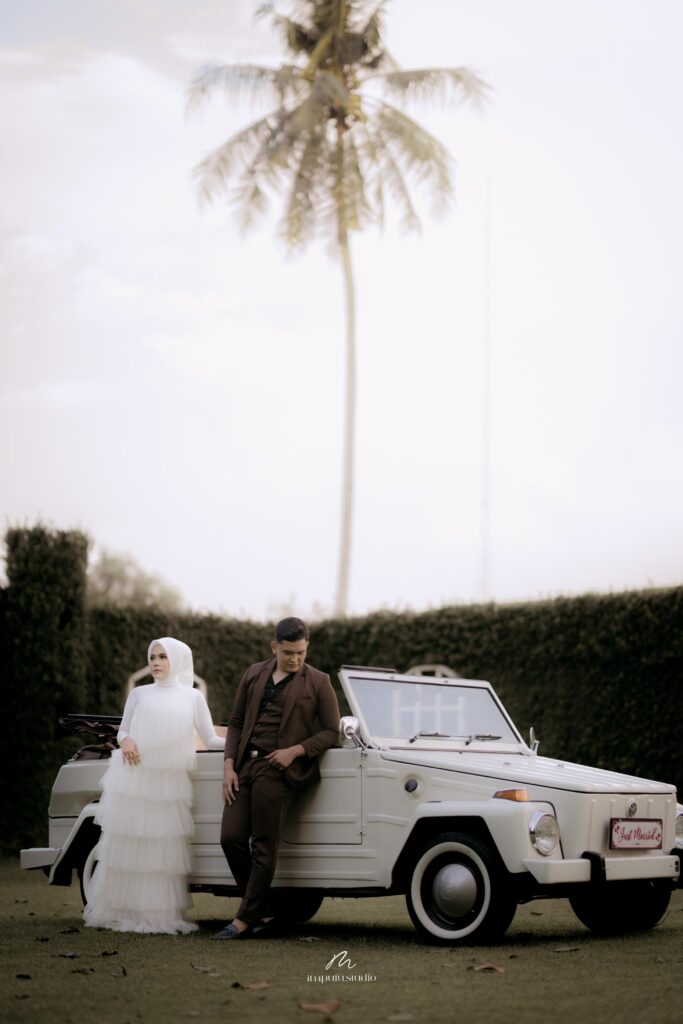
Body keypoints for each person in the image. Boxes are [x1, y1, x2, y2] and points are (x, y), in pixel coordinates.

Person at [84, 637, 225, 934]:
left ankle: (156, 914)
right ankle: (120, 910)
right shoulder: (139, 693)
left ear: (178, 659)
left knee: (160, 850)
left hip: (168, 786)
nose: (156, 662)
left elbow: (210, 739)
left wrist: (243, 743)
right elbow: (123, 730)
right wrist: (126, 740)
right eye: (153, 657)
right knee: (130, 846)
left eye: (163, 656)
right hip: (135, 779)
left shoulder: (192, 697)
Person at [213, 617, 340, 940]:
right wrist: (228, 767)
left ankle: (243, 920)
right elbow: (236, 722)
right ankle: (265, 912)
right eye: (288, 653)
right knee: (230, 838)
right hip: (245, 768)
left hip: (281, 771)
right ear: (274, 647)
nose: (295, 659)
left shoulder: (319, 681)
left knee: (264, 845)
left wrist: (295, 751)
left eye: (301, 652)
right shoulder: (253, 674)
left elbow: (332, 732)